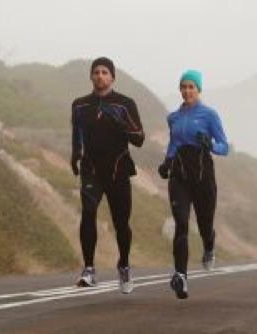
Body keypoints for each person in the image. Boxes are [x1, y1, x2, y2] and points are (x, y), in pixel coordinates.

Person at [70, 57, 145, 294]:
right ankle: (89, 269)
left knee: (121, 223)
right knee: (88, 213)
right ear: (91, 77)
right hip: (91, 170)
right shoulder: (80, 105)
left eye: (105, 72)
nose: (100, 76)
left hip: (118, 170)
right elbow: (77, 133)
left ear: (112, 77)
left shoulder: (125, 104)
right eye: (96, 72)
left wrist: (120, 122)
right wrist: (75, 156)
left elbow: (139, 138)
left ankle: (123, 265)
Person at [158, 70, 229, 299]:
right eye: (184, 86)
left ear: (199, 90)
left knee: (205, 223)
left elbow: (224, 146)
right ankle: (181, 276)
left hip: (203, 177)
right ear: (180, 89)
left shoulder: (209, 115)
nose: (187, 90)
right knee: (181, 224)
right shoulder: (174, 118)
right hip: (179, 177)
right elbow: (174, 143)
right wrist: (167, 162)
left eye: (192, 87)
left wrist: (211, 144)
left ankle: (209, 246)